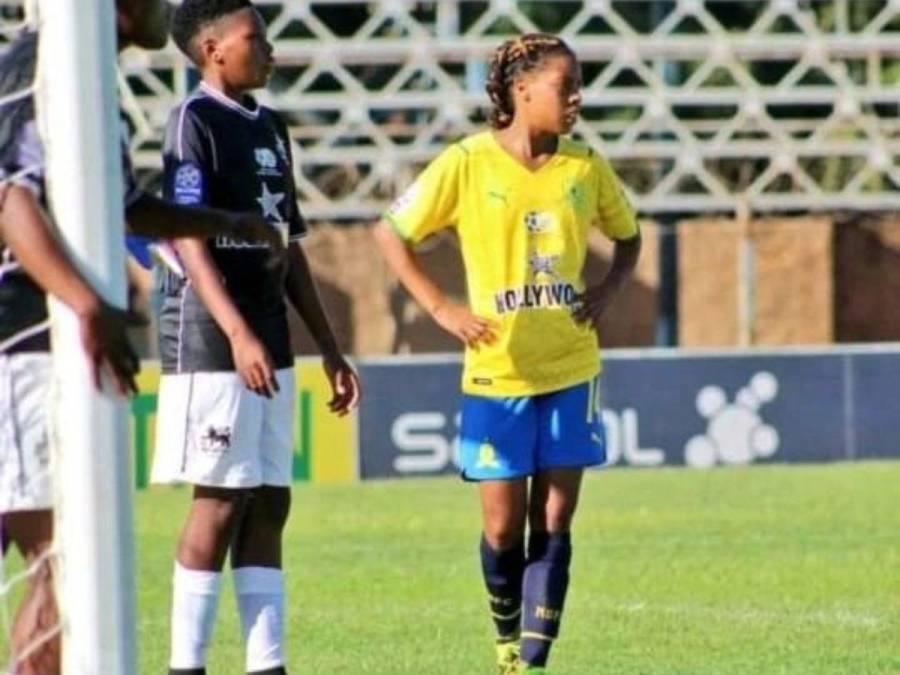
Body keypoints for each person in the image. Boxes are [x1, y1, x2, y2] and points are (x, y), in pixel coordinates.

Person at [0, 2, 285, 673]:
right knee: (64, 570)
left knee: (63, 568)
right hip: (24, 340)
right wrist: (88, 306)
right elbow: (13, 200)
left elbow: (124, 205)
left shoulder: (82, 77)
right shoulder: (49, 68)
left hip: (42, 341)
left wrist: (224, 220)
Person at [375, 33, 641, 674]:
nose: (577, 97)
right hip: (497, 374)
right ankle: (504, 640)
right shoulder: (467, 163)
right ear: (522, 91)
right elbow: (391, 233)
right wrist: (442, 308)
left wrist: (605, 290)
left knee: (555, 517)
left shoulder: (585, 166)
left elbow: (628, 237)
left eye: (579, 85)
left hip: (571, 367)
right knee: (502, 527)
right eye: (564, 85)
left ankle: (531, 660)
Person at [149, 3, 361, 674]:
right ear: (212, 49)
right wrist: (237, 331)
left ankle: (267, 664)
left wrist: (328, 346)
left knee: (271, 497)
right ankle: (187, 665)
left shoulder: (270, 127)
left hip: (268, 334)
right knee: (219, 497)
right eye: (255, 37)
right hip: (213, 336)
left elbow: (289, 243)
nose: (270, 48)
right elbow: (185, 236)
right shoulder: (194, 121)